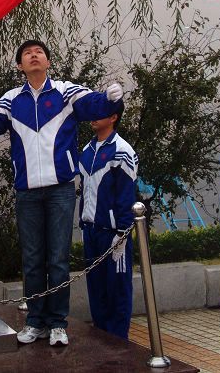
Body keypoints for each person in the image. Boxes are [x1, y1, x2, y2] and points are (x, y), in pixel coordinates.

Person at [0, 39, 123, 346]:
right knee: (32, 260)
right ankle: (35, 322)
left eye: (39, 52)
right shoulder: (11, 99)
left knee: (57, 259)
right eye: (27, 53)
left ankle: (57, 323)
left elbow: (93, 104)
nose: (34, 56)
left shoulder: (65, 92)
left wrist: (110, 100)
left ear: (48, 62)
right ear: (20, 65)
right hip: (27, 191)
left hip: (60, 189)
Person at [79, 108, 138, 339]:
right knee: (96, 291)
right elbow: (85, 192)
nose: (93, 116)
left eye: (101, 112)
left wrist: (122, 233)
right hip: (91, 230)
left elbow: (126, 195)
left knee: (117, 291)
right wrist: (83, 224)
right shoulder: (87, 150)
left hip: (113, 234)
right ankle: (101, 341)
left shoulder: (122, 150)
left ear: (114, 117)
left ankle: (119, 343)